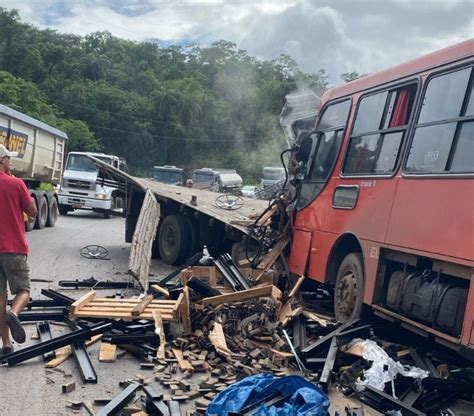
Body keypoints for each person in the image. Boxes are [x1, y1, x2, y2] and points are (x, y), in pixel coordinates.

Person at [0, 144, 37, 355]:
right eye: (8, 158)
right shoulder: (16, 184)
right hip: (13, 247)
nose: (10, 161)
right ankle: (14, 313)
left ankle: (6, 344)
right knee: (24, 290)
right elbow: (32, 213)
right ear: (2, 160)